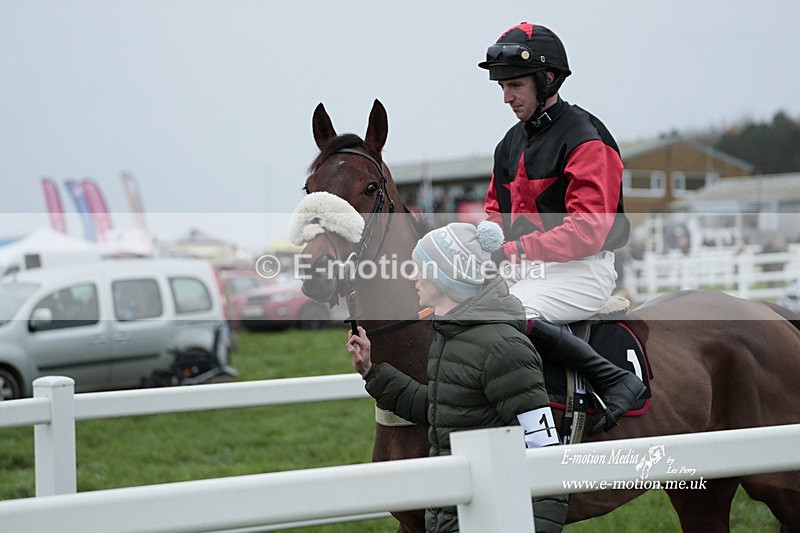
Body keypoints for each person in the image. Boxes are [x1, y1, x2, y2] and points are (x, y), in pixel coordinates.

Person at [478, 21, 646, 435]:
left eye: (514, 84)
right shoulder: (509, 144)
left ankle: (613, 380)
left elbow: (589, 230)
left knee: (510, 320)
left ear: (546, 78)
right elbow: (493, 216)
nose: (506, 97)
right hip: (525, 270)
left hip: (583, 269)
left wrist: (514, 252)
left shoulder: (585, 138)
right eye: (501, 86)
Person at [347, 220, 567, 533]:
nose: (413, 276)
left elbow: (543, 451)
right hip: (453, 516)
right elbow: (439, 408)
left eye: (421, 267)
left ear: (448, 276)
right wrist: (372, 371)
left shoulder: (503, 347)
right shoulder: (451, 336)